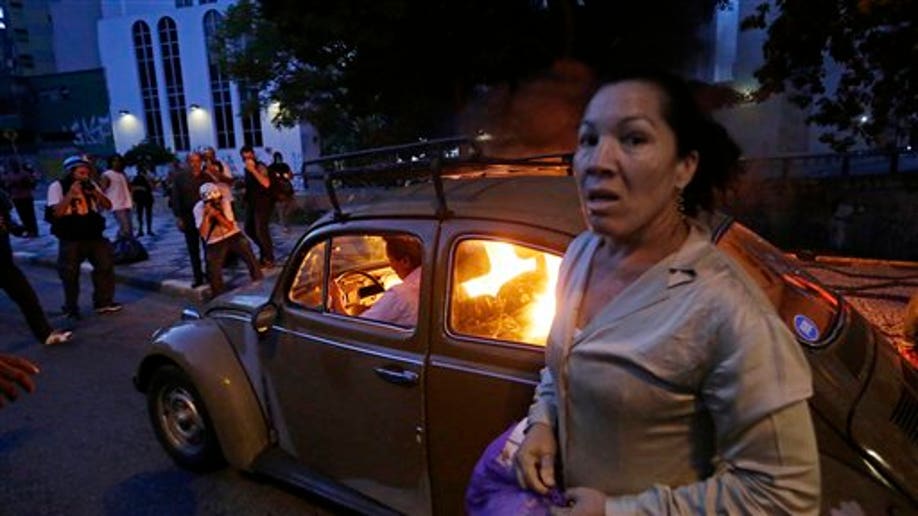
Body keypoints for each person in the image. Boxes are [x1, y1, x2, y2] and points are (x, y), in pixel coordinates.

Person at [513, 70, 820, 514]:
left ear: (684, 167)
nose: (599, 161)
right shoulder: (580, 255)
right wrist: (543, 424)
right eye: (587, 140)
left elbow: (785, 496)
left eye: (634, 139)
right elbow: (560, 367)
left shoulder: (726, 308)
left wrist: (617, 512)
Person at [46, 155, 122, 319]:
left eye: (86, 171)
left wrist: (95, 192)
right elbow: (56, 212)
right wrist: (71, 195)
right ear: (71, 172)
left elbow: (108, 206)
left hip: (93, 233)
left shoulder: (91, 185)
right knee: (70, 272)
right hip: (71, 236)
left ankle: (103, 302)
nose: (85, 174)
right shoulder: (57, 186)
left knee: (105, 266)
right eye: (81, 172)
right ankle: (71, 307)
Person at [0, 189, 72, 345]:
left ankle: (45, 334)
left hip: (5, 264)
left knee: (27, 298)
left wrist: (17, 229)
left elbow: (7, 221)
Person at [329, 235, 422, 327]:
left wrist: (337, 299)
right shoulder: (429, 283)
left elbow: (357, 329)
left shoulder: (399, 294)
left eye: (391, 260)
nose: (391, 266)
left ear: (405, 261)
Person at [194, 182, 263, 296]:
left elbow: (229, 225)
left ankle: (260, 284)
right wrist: (207, 216)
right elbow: (203, 233)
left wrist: (217, 215)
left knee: (250, 258)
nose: (214, 203)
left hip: (232, 234)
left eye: (216, 200)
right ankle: (218, 296)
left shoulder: (224, 202)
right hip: (214, 240)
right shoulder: (198, 208)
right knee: (214, 270)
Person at [171, 152, 212, 287]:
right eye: (192, 161)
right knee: (193, 249)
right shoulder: (180, 178)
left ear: (201, 162)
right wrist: (179, 217)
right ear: (188, 163)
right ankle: (198, 276)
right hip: (188, 217)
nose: (195, 164)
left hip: (205, 217)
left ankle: (211, 274)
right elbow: (176, 198)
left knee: (208, 248)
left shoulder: (206, 177)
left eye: (197, 161)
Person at [240, 145, 275, 268]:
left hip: (263, 203)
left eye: (250, 156)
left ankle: (269, 257)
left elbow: (266, 183)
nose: (248, 160)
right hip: (252, 203)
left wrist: (253, 170)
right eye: (245, 158)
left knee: (261, 230)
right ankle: (264, 252)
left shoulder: (260, 166)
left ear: (253, 155)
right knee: (249, 228)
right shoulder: (246, 170)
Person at [2, 159, 39, 237]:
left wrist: (25, 182)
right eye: (12, 165)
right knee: (22, 215)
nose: (14, 167)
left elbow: (31, 184)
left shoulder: (24, 173)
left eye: (15, 165)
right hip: (16, 197)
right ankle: (28, 230)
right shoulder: (9, 175)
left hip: (26, 197)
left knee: (30, 215)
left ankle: (34, 231)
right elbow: (6, 186)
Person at [100, 154, 133, 239]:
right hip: (116, 205)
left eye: (119, 161)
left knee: (128, 228)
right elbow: (102, 190)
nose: (117, 163)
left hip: (126, 204)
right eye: (114, 161)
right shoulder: (107, 174)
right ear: (110, 162)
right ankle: (120, 245)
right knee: (126, 228)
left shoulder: (122, 174)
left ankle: (123, 245)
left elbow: (129, 188)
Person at [268, 151, 295, 232]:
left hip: (287, 189)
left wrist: (288, 176)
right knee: (281, 209)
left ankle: (285, 223)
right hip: (278, 191)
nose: (279, 160)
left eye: (280, 158)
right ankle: (284, 226)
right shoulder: (271, 167)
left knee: (290, 207)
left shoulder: (285, 166)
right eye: (277, 158)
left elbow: (290, 175)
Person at [130, 163, 156, 236]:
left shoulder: (148, 178)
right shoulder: (136, 178)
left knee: (148, 214)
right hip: (139, 198)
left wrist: (147, 179)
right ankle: (141, 230)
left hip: (147, 198)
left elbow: (152, 187)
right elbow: (132, 188)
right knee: (140, 215)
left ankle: (148, 229)